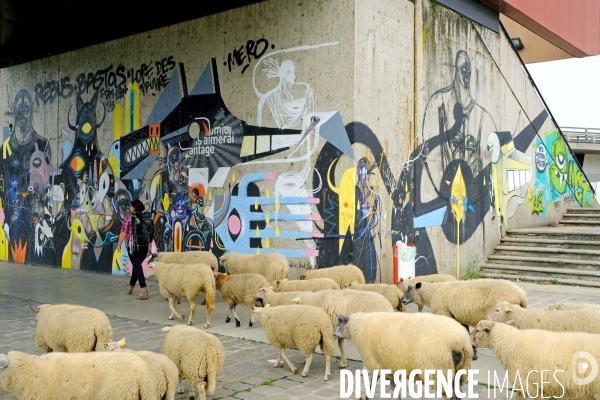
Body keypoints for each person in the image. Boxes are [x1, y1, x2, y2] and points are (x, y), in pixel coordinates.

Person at [117, 199, 150, 300]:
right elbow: (150, 232)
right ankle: (130, 287)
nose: (130, 207)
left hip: (133, 247)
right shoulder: (146, 217)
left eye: (131, 206)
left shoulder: (129, 218)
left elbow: (123, 232)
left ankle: (143, 290)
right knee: (137, 267)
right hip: (144, 247)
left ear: (133, 208)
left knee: (137, 268)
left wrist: (119, 244)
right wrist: (150, 247)